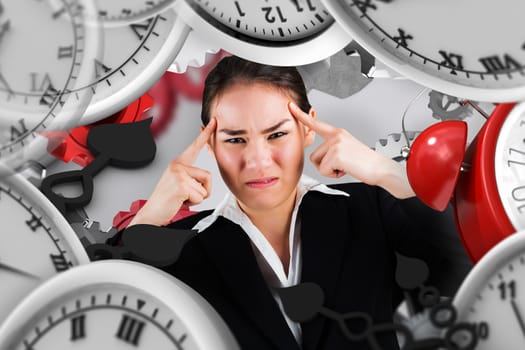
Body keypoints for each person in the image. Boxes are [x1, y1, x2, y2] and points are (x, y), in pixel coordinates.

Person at [118, 56, 470, 350]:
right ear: (210, 145)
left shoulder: (370, 209)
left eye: (277, 134)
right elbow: (105, 322)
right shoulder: (184, 247)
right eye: (235, 139)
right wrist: (146, 220)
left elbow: (465, 266)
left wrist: (387, 173)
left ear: (307, 128)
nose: (257, 161)